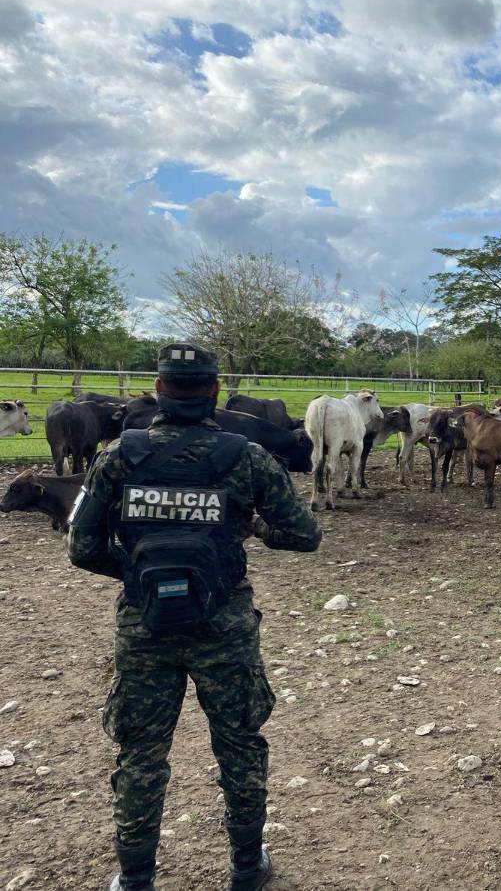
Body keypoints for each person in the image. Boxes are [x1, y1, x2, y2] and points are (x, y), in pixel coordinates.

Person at [68, 343, 322, 891]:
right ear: (214, 389)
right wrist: (253, 529)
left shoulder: (117, 456)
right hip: (223, 628)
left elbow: (81, 549)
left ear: (157, 390)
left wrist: (142, 577)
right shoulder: (246, 455)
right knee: (239, 745)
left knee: (140, 753)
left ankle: (135, 878)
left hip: (145, 628)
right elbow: (305, 535)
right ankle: (247, 869)